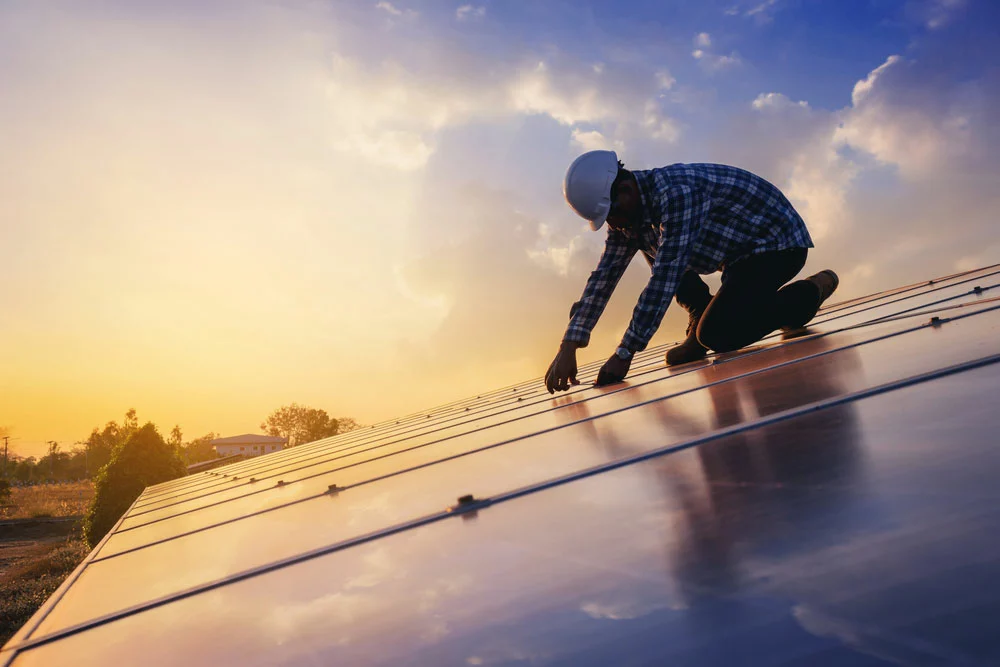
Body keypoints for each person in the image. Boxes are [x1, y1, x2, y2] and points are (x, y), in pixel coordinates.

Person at [544, 150, 839, 393]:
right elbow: (604, 278)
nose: (614, 225)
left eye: (612, 215)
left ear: (625, 188)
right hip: (735, 258)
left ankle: (806, 295)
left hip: (775, 247)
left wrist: (625, 353)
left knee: (718, 333)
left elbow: (664, 279)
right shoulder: (629, 217)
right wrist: (569, 345)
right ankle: (701, 311)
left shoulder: (677, 195)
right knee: (651, 243)